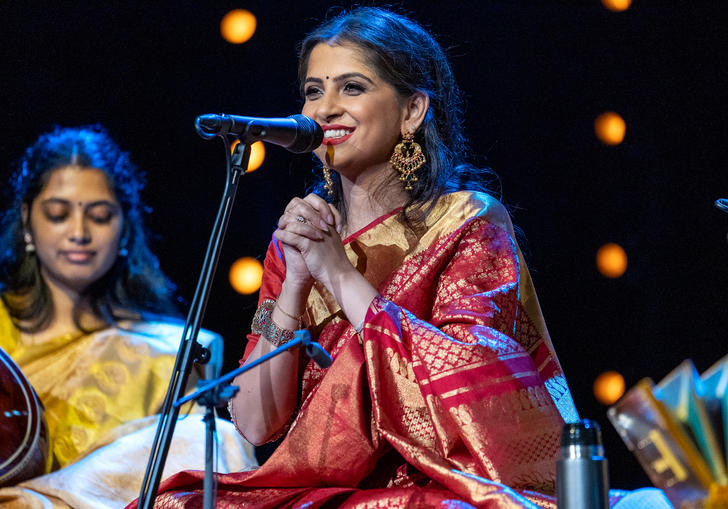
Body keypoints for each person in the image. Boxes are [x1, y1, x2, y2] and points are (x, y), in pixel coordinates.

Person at [144, 7, 579, 508]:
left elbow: (474, 392)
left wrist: (340, 274)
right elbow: (256, 423)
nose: (324, 109)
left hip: (436, 485)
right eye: (313, 91)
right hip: (319, 486)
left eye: (351, 87)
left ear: (412, 111)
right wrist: (294, 288)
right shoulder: (297, 240)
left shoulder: (466, 223)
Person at [0, 125, 256, 508]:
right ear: (26, 220)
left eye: (100, 216)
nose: (79, 232)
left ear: (124, 227)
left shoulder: (168, 354)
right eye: (58, 214)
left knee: (214, 439)